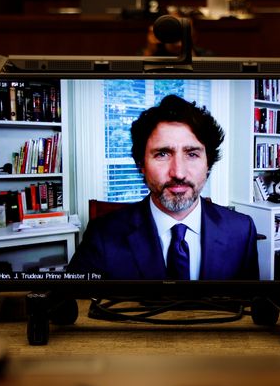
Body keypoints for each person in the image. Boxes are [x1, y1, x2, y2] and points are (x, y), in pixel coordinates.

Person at [67, 95, 259, 280]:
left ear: (208, 164)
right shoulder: (102, 234)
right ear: (141, 165)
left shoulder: (242, 230)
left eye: (192, 154)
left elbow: (250, 307)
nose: (178, 173)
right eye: (162, 154)